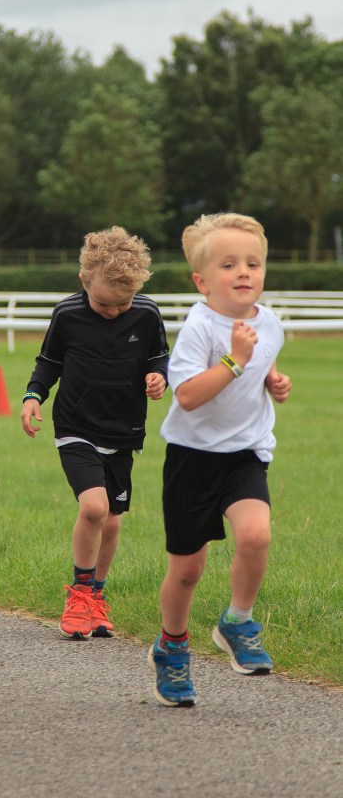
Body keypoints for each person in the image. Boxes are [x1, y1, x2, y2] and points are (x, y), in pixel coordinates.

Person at [148, 212, 292, 706]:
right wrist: (235, 361)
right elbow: (187, 396)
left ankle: (237, 621)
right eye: (229, 264)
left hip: (245, 453)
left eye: (253, 263)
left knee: (256, 535)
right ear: (202, 281)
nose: (244, 272)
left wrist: (273, 380)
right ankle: (171, 647)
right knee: (187, 570)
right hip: (192, 459)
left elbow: (264, 360)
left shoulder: (268, 322)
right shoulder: (199, 327)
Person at [21, 226, 169, 640]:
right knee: (93, 508)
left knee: (113, 523)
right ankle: (79, 595)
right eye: (104, 303)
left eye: (123, 304)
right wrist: (33, 395)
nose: (113, 312)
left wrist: (159, 377)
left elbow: (159, 357)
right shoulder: (67, 314)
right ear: (84, 281)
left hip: (124, 431)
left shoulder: (147, 313)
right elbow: (49, 362)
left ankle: (97, 597)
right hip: (76, 427)